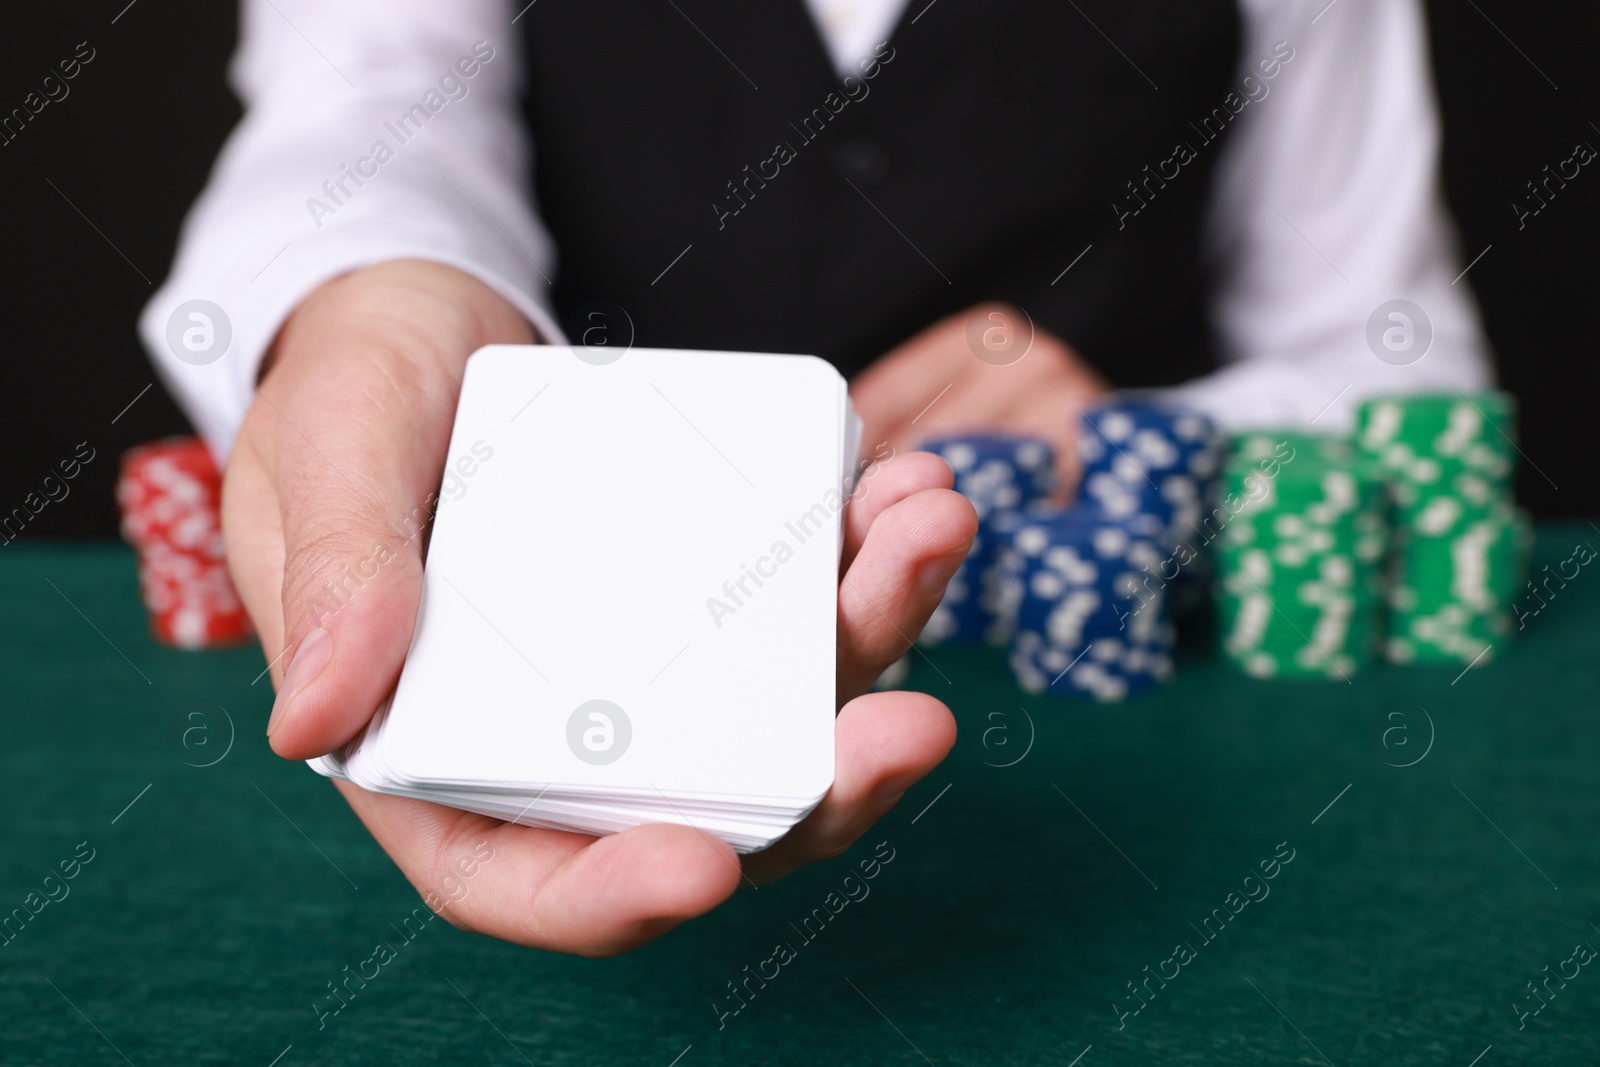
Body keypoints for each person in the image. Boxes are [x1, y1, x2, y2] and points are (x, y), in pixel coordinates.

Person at [139, 0, 1491, 955]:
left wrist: (1149, 433)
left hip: (1101, 712)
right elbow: (359, 122)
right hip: (568, 623)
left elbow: (1397, 367)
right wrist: (379, 301)